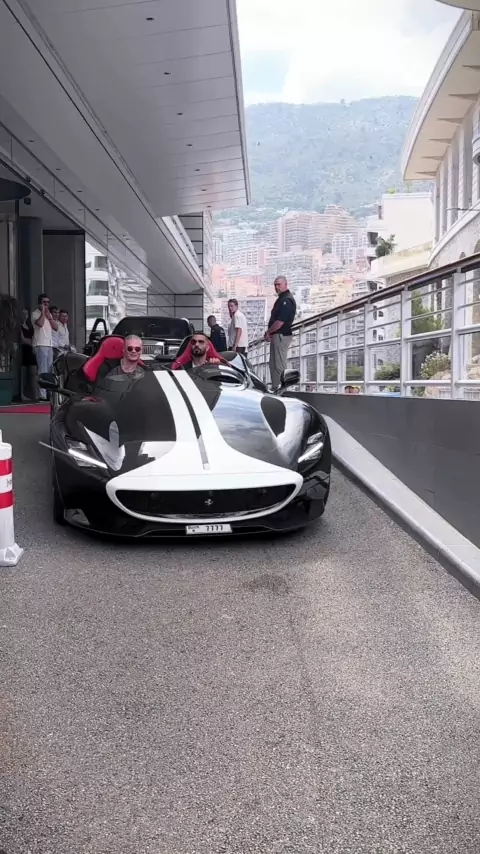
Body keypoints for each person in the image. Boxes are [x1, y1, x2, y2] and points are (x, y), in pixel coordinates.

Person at [264, 276, 296, 389]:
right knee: (273, 364)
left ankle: (281, 390)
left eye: (279, 284)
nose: (277, 287)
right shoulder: (282, 299)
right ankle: (276, 388)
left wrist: (268, 332)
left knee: (279, 365)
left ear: (286, 284)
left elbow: (280, 322)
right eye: (275, 285)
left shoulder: (286, 300)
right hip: (277, 335)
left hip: (281, 335)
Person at [31, 293, 58, 399]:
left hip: (49, 344)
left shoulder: (49, 315)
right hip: (40, 344)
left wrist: (50, 318)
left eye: (48, 302)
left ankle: (49, 393)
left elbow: (56, 327)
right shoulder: (35, 314)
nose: (46, 304)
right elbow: (40, 324)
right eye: (44, 302)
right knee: (42, 369)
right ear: (39, 303)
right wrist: (43, 312)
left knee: (50, 370)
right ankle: (42, 395)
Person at [20, 308, 36, 401]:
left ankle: (33, 394)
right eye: (23, 313)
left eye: (26, 314)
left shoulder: (29, 326)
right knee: (23, 373)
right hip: (24, 350)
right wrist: (30, 342)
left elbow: (33, 338)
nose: (24, 315)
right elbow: (22, 339)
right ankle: (22, 394)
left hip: (31, 350)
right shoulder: (19, 326)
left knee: (33, 372)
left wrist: (31, 342)